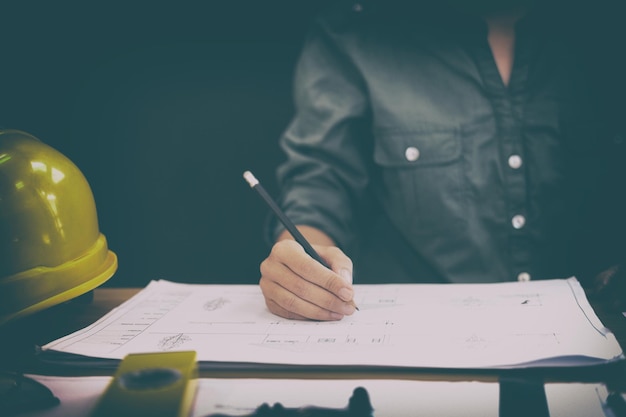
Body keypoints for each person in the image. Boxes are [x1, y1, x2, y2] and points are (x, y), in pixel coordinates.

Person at [259, 0, 626, 320]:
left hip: (599, 340)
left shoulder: (606, 29)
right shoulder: (352, 34)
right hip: (416, 349)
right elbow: (320, 185)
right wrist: (302, 264)